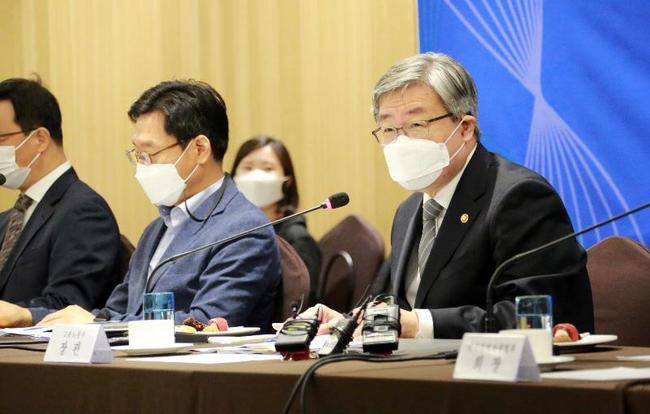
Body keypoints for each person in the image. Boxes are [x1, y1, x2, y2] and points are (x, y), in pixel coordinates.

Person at [309, 52, 594, 339]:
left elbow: (533, 317)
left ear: (465, 127)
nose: (400, 141)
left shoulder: (520, 198)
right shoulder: (409, 211)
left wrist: (420, 325)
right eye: (389, 129)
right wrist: (346, 324)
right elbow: (397, 309)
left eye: (416, 125)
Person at [8, 80, 281, 331]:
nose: (141, 166)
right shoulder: (156, 229)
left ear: (199, 149)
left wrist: (96, 324)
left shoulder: (243, 229)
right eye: (137, 154)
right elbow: (115, 312)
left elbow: (204, 323)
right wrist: (30, 317)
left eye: (149, 153)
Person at [0, 78, 121, 327]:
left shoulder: (84, 211)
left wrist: (18, 314)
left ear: (40, 139)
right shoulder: (7, 219)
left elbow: (69, 305)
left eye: (0, 138)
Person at [232, 136, 321, 303]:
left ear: (287, 181)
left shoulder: (297, 240)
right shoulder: (230, 229)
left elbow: (303, 302)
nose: (256, 176)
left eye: (267, 168)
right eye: (248, 167)